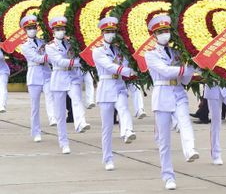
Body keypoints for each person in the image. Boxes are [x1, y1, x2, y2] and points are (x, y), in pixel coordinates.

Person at [144, 14, 199, 190]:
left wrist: (192, 67)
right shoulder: (150, 54)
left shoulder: (177, 53)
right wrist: (186, 68)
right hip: (162, 94)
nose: (164, 34)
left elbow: (184, 80)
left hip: (178, 92)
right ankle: (168, 176)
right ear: (154, 35)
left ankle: (190, 150)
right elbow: (166, 71)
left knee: (185, 122)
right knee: (164, 140)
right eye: (160, 31)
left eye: (166, 30)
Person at [93, 17, 136, 171]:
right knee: (107, 127)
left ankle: (127, 131)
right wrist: (128, 71)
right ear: (102, 33)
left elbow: (125, 63)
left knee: (123, 108)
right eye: (108, 31)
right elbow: (109, 66)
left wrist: (133, 69)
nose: (111, 34)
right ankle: (108, 158)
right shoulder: (97, 51)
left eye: (113, 31)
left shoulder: (120, 50)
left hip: (119, 85)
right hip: (105, 87)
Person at [45, 16, 91, 154]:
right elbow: (59, 61)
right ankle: (63, 142)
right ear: (53, 31)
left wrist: (79, 61)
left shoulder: (71, 43)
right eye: (57, 29)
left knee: (77, 100)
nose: (61, 31)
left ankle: (80, 123)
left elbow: (79, 54)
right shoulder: (49, 46)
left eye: (62, 29)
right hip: (58, 78)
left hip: (72, 77)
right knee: (59, 114)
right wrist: (77, 62)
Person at [20, 15, 57, 142]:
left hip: (46, 73)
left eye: (33, 27)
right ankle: (36, 132)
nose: (32, 30)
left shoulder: (43, 42)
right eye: (29, 28)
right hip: (34, 76)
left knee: (50, 95)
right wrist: (50, 56)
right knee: (35, 106)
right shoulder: (24, 45)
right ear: (25, 30)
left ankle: (52, 117)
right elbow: (36, 58)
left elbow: (49, 55)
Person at [0, 46, 10, 113]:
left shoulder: (2, 48)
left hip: (3, 71)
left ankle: (2, 106)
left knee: (3, 88)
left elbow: (1, 57)